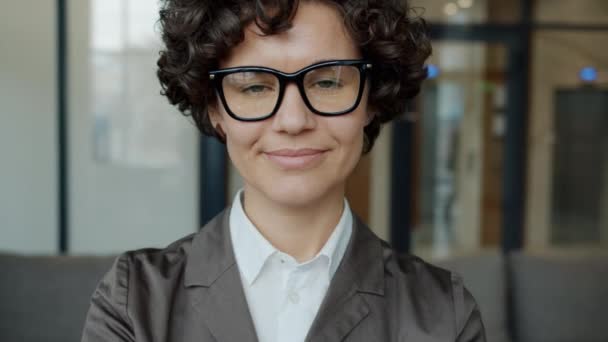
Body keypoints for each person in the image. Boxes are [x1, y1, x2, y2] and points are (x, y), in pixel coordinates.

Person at [81, 0, 486, 341]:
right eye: (254, 87)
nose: (293, 121)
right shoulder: (134, 301)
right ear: (214, 108)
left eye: (327, 83)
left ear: (371, 100)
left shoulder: (442, 314)